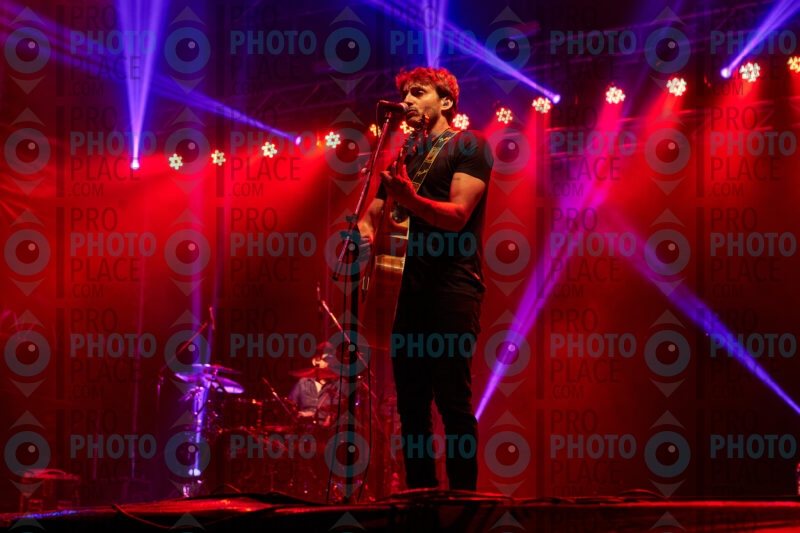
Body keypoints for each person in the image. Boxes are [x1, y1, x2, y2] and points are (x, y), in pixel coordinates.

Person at [357, 67, 493, 491]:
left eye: (418, 93)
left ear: (446, 102)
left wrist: (410, 200)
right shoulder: (402, 156)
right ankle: (420, 498)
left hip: (452, 287)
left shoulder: (469, 145)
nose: (408, 101)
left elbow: (458, 215)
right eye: (405, 95)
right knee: (411, 408)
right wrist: (358, 235)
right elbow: (372, 217)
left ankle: (463, 502)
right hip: (404, 292)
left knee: (453, 402)